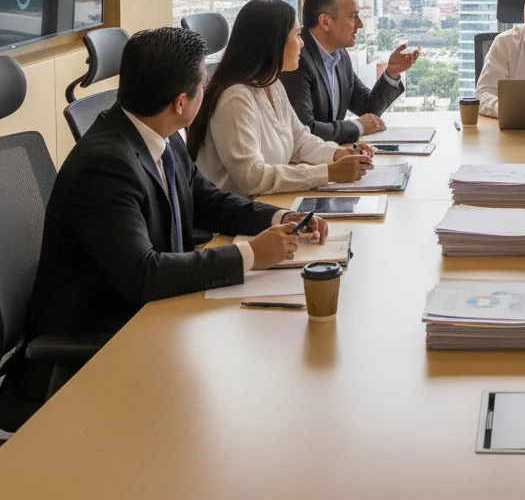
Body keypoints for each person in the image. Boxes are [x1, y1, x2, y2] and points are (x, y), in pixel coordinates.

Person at [15, 27, 329, 375]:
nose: (206, 92)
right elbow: (143, 275)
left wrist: (281, 217)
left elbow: (208, 201)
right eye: (202, 87)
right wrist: (252, 255)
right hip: (99, 341)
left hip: (154, 313)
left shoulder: (156, 131)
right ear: (181, 102)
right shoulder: (104, 165)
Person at [190, 0, 375, 197]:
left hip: (267, 203)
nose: (303, 44)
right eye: (297, 35)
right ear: (273, 43)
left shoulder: (271, 84)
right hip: (235, 218)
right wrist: (328, 173)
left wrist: (337, 155)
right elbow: (253, 178)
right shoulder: (235, 99)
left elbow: (298, 140)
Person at [280, 0, 419, 145]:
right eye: (353, 17)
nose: (360, 24)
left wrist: (392, 73)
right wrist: (357, 126)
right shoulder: (295, 61)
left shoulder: (339, 54)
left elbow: (366, 109)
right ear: (325, 22)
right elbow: (306, 131)